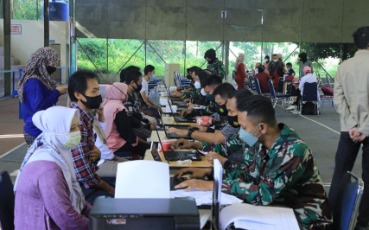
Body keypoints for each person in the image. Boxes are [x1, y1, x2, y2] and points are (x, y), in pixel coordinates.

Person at [175, 95, 332, 229]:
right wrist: (209, 173)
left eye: (243, 127)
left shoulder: (292, 150)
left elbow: (264, 195)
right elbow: (249, 176)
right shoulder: (259, 142)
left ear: (261, 127)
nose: (241, 132)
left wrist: (214, 186)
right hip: (279, 208)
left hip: (305, 219)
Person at [14, 106, 89, 230]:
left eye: (77, 126)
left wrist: (94, 214)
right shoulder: (48, 171)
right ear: (57, 131)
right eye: (71, 129)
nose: (78, 131)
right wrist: (97, 225)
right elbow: (66, 219)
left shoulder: (55, 152)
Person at [329, 26, 369, 230]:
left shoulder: (344, 66)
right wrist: (364, 128)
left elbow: (338, 99)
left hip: (348, 130)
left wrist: (353, 125)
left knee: (340, 176)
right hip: (367, 130)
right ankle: (363, 225)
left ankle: (331, 222)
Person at [170, 88, 253, 166]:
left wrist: (189, 133)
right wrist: (193, 144)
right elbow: (224, 147)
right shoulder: (244, 130)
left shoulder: (250, 134)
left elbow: (218, 139)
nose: (228, 115)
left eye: (231, 111)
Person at [68, 70, 115, 203]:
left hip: (90, 176)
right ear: (78, 95)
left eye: (98, 91)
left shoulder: (85, 117)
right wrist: (111, 190)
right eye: (94, 92)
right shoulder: (76, 123)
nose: (98, 95)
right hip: (79, 188)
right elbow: (84, 175)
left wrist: (97, 155)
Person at [18, 47, 67, 145]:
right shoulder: (34, 82)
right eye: (53, 62)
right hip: (36, 131)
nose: (55, 65)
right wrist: (56, 92)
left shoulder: (42, 80)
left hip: (43, 128)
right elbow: (39, 107)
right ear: (43, 62)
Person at [103, 82, 149, 158]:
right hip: (115, 144)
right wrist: (136, 141)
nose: (126, 94)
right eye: (125, 92)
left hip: (106, 142)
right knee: (147, 149)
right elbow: (125, 132)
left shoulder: (106, 104)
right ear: (119, 92)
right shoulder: (118, 108)